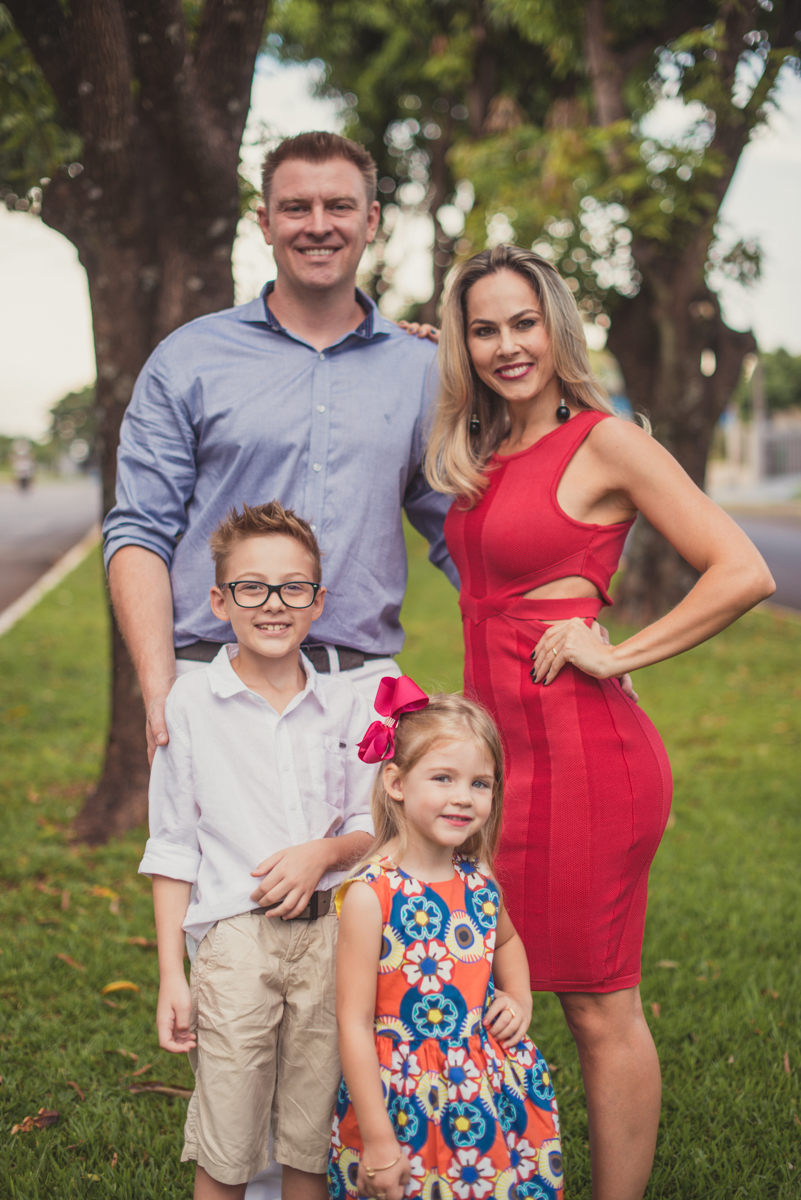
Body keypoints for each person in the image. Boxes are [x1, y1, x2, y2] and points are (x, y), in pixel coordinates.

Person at [424, 244, 775, 1200]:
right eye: (483, 330)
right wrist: (422, 339)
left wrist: (616, 654)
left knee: (594, 1005)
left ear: (557, 329)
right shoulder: (481, 451)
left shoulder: (604, 441)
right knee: (493, 984)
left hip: (584, 756)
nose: (507, 346)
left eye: (524, 323)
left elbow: (742, 570)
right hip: (495, 766)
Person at [103, 130, 457, 762]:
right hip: (212, 684)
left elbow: (465, 535)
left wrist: (560, 620)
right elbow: (139, 531)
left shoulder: (423, 369)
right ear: (265, 222)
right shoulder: (188, 359)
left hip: (360, 696)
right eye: (296, 207)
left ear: (371, 220)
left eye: (339, 206)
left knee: (366, 837)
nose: (318, 225)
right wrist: (161, 692)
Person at [139, 501, 374, 1200]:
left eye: (293, 587)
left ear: (317, 601)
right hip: (235, 943)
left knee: (311, 1139)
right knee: (229, 1143)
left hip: (331, 940)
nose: (273, 604)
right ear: (220, 601)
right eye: (251, 587)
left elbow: (372, 824)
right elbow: (172, 846)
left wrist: (322, 854)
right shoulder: (189, 703)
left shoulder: (346, 703)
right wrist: (172, 976)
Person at [331, 685, 564, 1200]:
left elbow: (506, 942)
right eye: (443, 778)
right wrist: (377, 1140)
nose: (463, 797)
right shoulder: (372, 894)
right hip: (403, 1094)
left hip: (486, 1088)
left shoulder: (478, 882)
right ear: (396, 782)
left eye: (480, 783)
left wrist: (518, 996)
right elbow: (353, 1023)